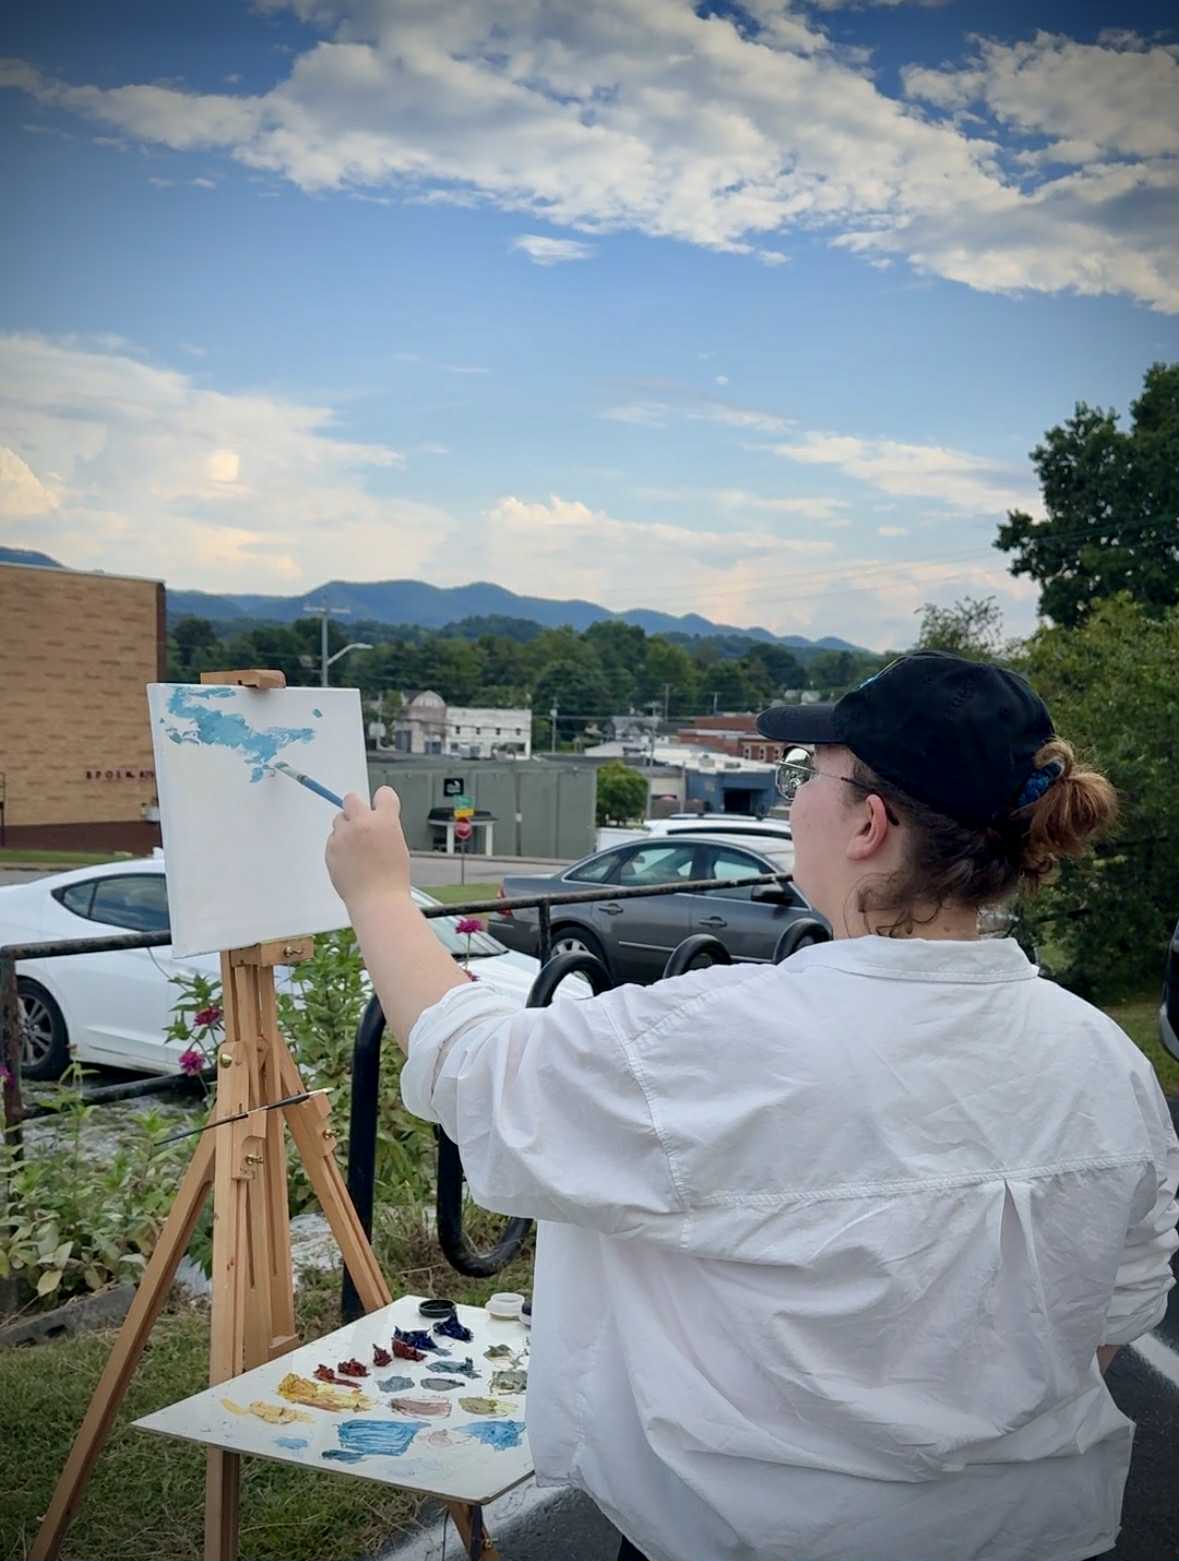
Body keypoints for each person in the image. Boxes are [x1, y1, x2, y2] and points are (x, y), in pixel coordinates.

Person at [326, 650, 1177, 1561]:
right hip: (1028, 1532)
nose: (792, 798)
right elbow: (1114, 1312)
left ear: (869, 825)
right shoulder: (1102, 1057)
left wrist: (377, 893)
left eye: (807, 775)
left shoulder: (722, 1036)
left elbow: (474, 1064)